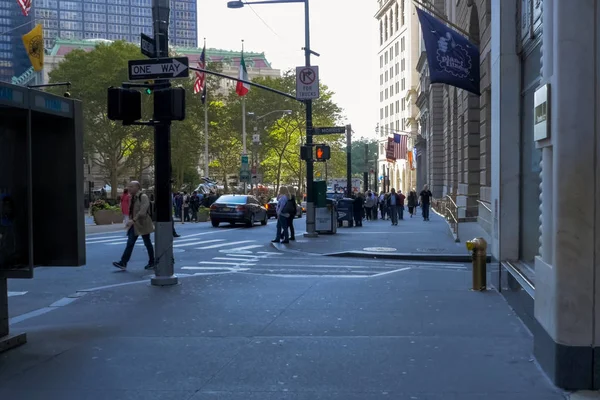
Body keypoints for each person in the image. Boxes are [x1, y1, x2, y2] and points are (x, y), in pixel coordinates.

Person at [113, 181, 155, 271]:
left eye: (131, 186)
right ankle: (123, 262)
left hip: (143, 223)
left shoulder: (143, 197)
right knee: (130, 243)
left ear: (137, 187)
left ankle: (152, 261)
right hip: (134, 224)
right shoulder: (131, 197)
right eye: (129, 186)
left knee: (147, 243)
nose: (129, 188)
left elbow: (143, 211)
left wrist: (133, 220)